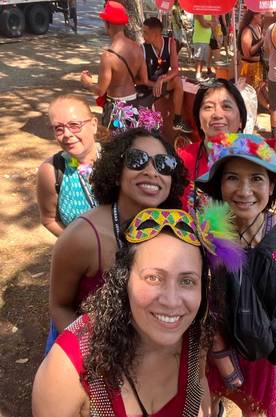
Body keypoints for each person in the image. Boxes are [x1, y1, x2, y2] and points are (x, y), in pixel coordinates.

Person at [33, 202, 243, 417]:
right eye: (153, 278)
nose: (171, 301)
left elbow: (198, 391)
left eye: (187, 281)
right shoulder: (67, 369)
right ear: (124, 279)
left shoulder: (194, 337)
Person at [195, 133, 276, 417]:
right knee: (211, 399)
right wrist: (217, 349)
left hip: (268, 345)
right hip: (220, 338)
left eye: (256, 178)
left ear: (271, 186)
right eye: (232, 178)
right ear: (220, 186)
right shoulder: (206, 233)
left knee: (258, 409)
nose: (244, 191)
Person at [47, 128, 188, 351]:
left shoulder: (175, 230)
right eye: (138, 160)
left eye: (164, 164)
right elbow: (60, 306)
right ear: (116, 169)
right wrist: (92, 356)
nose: (152, 172)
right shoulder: (83, 236)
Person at [177, 6, 276, 213]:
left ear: (241, 119)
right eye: (208, 107)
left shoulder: (259, 152)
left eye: (227, 106)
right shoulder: (183, 157)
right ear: (198, 119)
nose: (217, 114)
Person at [37, 95, 99, 237]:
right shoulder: (51, 170)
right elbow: (49, 220)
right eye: (59, 128)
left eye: (75, 125)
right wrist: (77, 244)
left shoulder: (118, 159)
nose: (67, 134)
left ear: (94, 124)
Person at [80, 1, 147, 127]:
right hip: (133, 104)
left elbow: (100, 90)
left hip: (116, 109)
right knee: (131, 141)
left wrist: (87, 83)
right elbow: (143, 79)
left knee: (115, 143)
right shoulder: (137, 48)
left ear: (107, 24)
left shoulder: (108, 56)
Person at [142, 17, 193, 133]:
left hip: (161, 84)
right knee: (149, 128)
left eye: (145, 32)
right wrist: (155, 84)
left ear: (155, 34)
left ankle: (178, 120)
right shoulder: (143, 48)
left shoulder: (171, 43)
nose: (143, 35)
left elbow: (175, 69)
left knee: (177, 81)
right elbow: (143, 79)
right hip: (147, 87)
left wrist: (162, 79)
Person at [238, 10, 269, 109]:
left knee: (259, 88)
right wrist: (261, 41)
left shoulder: (258, 28)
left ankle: (273, 107)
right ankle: (271, 108)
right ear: (254, 15)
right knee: (251, 92)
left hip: (258, 65)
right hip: (249, 67)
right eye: (262, 16)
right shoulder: (247, 31)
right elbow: (247, 54)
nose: (263, 18)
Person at [192, 14, 215, 81]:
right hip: (198, 39)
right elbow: (203, 24)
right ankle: (198, 75)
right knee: (199, 58)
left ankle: (200, 74)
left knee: (203, 59)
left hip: (206, 39)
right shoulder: (199, 11)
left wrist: (208, 22)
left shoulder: (211, 12)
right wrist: (210, 23)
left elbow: (214, 24)